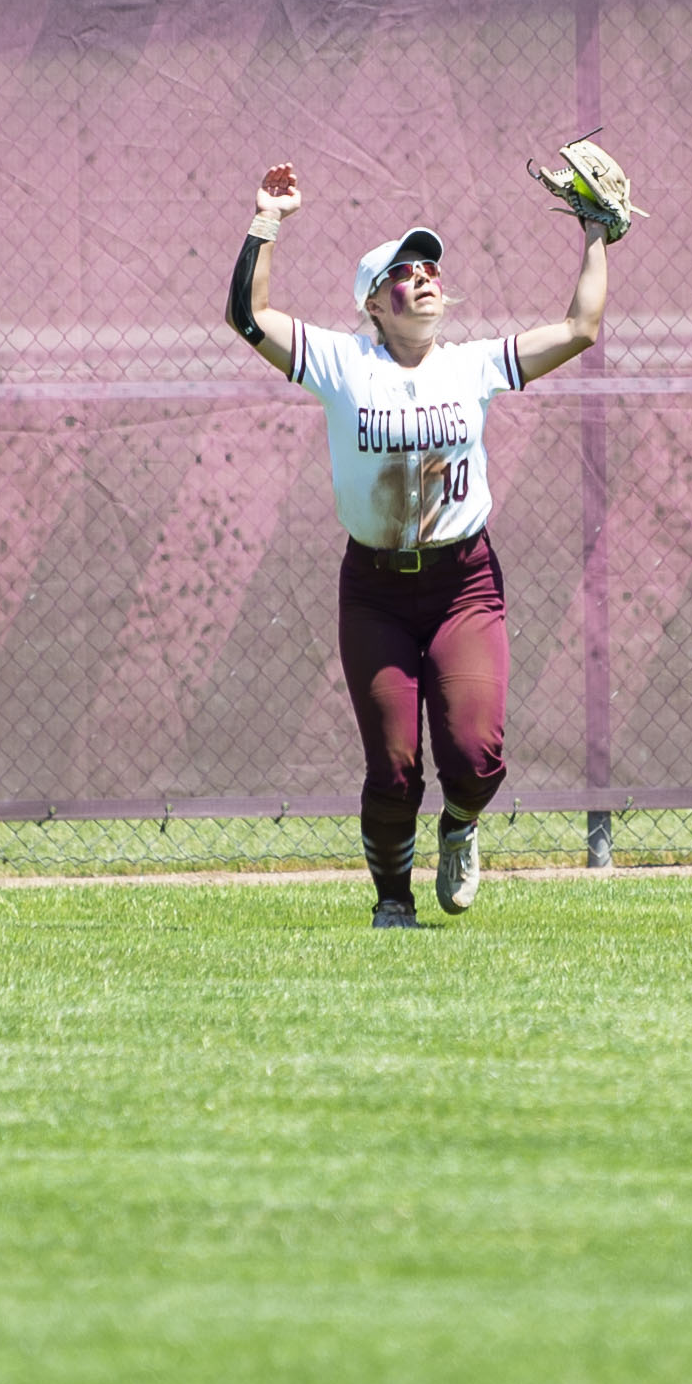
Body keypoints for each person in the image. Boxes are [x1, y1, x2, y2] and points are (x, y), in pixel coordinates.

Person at [227, 160, 610, 927]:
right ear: (374, 301)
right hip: (375, 592)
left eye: (430, 265)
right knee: (395, 765)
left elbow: (579, 330)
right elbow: (247, 316)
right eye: (404, 271)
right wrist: (266, 222)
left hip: (463, 583)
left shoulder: (471, 365)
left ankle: (461, 827)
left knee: (473, 759)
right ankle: (392, 903)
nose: (425, 278)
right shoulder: (342, 363)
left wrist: (597, 236)